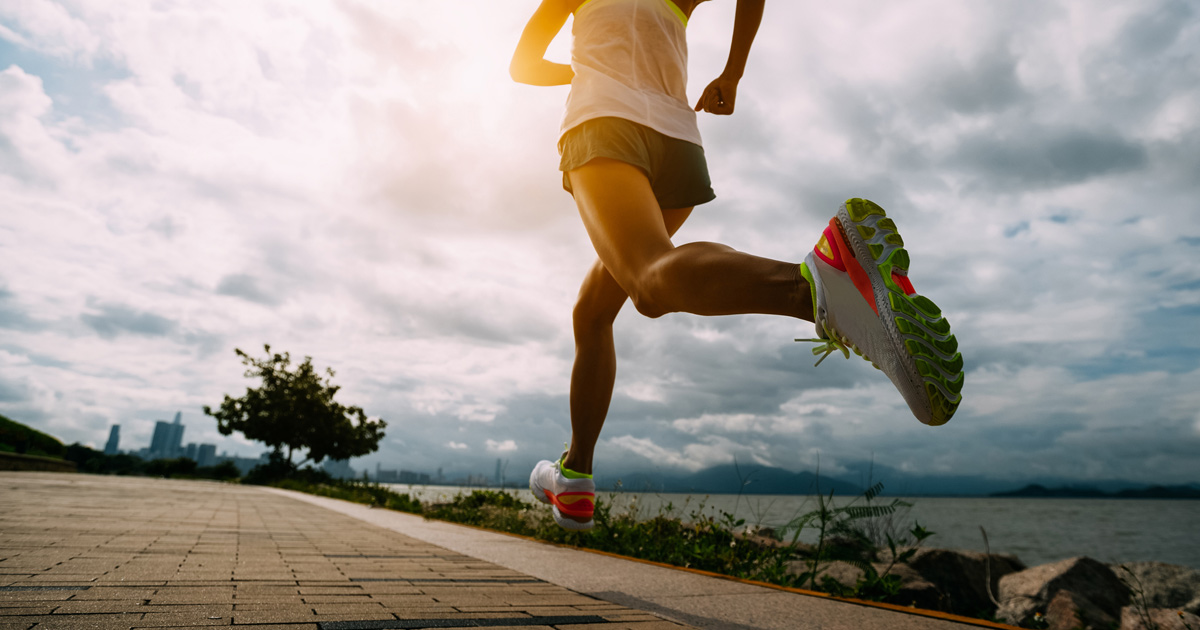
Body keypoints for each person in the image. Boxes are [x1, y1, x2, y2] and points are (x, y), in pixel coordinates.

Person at [511, 0, 963, 531]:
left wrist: (584, 67)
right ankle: (577, 475)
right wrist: (732, 73)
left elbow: (523, 66)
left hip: (605, 120)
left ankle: (812, 287)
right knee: (593, 311)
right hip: (677, 140)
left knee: (650, 282)